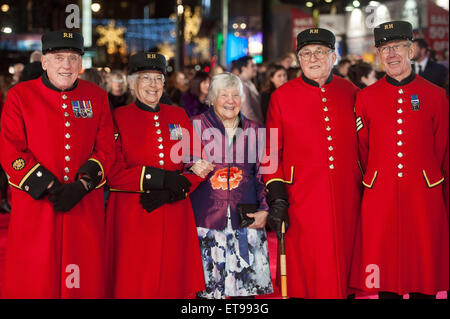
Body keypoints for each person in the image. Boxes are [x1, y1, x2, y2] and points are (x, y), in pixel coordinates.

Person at [0, 30, 114, 298]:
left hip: (83, 203)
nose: (66, 65)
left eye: (73, 58)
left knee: (82, 275)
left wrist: (84, 184)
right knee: (36, 276)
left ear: (81, 64)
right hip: (37, 204)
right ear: (44, 61)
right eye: (59, 57)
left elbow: (107, 147)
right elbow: (10, 148)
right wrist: (49, 185)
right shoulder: (20, 95)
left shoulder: (96, 96)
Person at [350, 21, 449, 299]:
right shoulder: (365, 98)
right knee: (386, 279)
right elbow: (362, 149)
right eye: (384, 49)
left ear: (412, 50)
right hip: (381, 197)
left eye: (398, 47)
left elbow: (442, 150)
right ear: (378, 55)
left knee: (424, 276)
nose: (391, 54)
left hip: (424, 196)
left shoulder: (436, 96)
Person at [263, 28, 361, 299]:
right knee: (306, 271)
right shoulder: (281, 97)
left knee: (344, 267)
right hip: (301, 199)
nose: (313, 58)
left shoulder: (352, 92)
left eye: (320, 52)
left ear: (334, 57)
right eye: (306, 53)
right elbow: (270, 152)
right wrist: (278, 195)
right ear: (298, 59)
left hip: (346, 198)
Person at [105, 52, 210, 298]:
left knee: (174, 280)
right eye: (145, 78)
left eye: (158, 78)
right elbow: (113, 172)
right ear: (132, 83)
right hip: (134, 214)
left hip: (175, 211)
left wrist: (178, 187)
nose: (153, 85)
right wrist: (159, 179)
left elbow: (199, 162)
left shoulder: (178, 115)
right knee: (135, 280)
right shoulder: (117, 118)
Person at [189, 72, 273, 299]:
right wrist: (192, 164)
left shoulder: (257, 130)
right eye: (224, 95)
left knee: (244, 293)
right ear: (212, 98)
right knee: (207, 292)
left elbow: (264, 173)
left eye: (236, 95)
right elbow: (182, 167)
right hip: (205, 219)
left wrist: (265, 209)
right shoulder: (194, 126)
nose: (230, 100)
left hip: (246, 218)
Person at [236, 56, 264, 125]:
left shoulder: (248, 82)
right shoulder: (242, 84)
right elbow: (247, 111)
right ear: (243, 68)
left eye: (255, 65)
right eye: (252, 66)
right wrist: (260, 125)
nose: (256, 68)